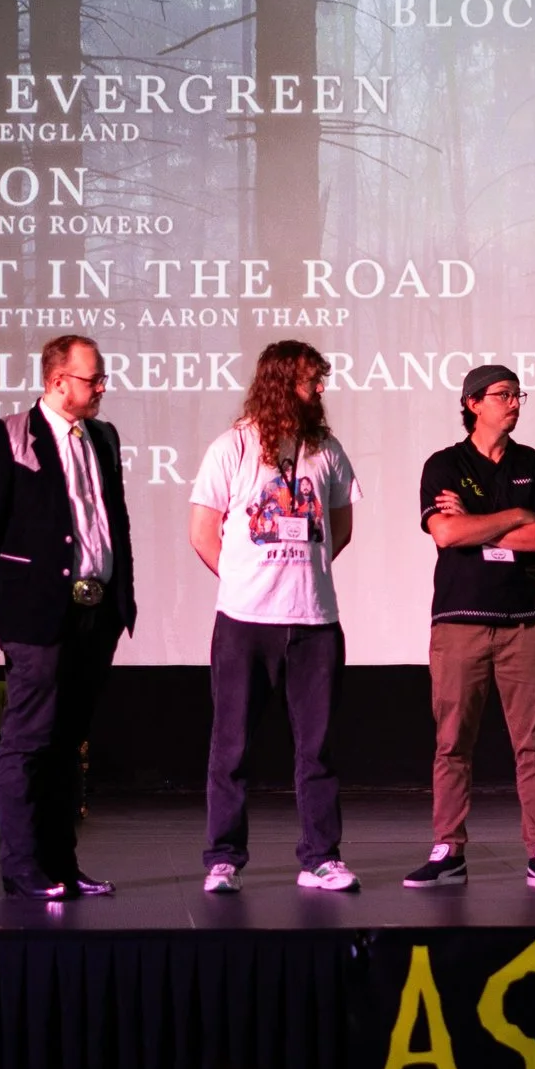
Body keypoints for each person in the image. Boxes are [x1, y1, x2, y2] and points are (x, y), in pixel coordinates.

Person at [0, 334, 134, 900]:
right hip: (34, 611)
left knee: (66, 743)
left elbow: (110, 520)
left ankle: (62, 864)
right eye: (92, 378)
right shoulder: (8, 435)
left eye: (102, 378)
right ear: (57, 381)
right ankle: (22, 866)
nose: (102, 387)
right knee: (28, 740)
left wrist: (121, 590)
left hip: (95, 612)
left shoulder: (102, 436)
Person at [190, 341, 362, 893]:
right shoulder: (231, 448)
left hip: (315, 623)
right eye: (312, 380)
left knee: (317, 746)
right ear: (282, 381)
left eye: (321, 380)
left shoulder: (327, 449)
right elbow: (201, 532)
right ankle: (223, 858)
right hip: (243, 623)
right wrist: (247, 580)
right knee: (232, 744)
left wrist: (298, 575)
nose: (320, 389)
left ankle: (320, 858)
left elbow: (341, 529)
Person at [403, 365, 535, 892]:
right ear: (473, 403)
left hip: (528, 621)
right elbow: (447, 533)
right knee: (452, 741)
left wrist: (485, 523)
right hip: (461, 621)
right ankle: (448, 850)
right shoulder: (443, 465)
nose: (515, 402)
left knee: (534, 743)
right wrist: (515, 516)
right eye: (503, 394)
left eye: (517, 393)